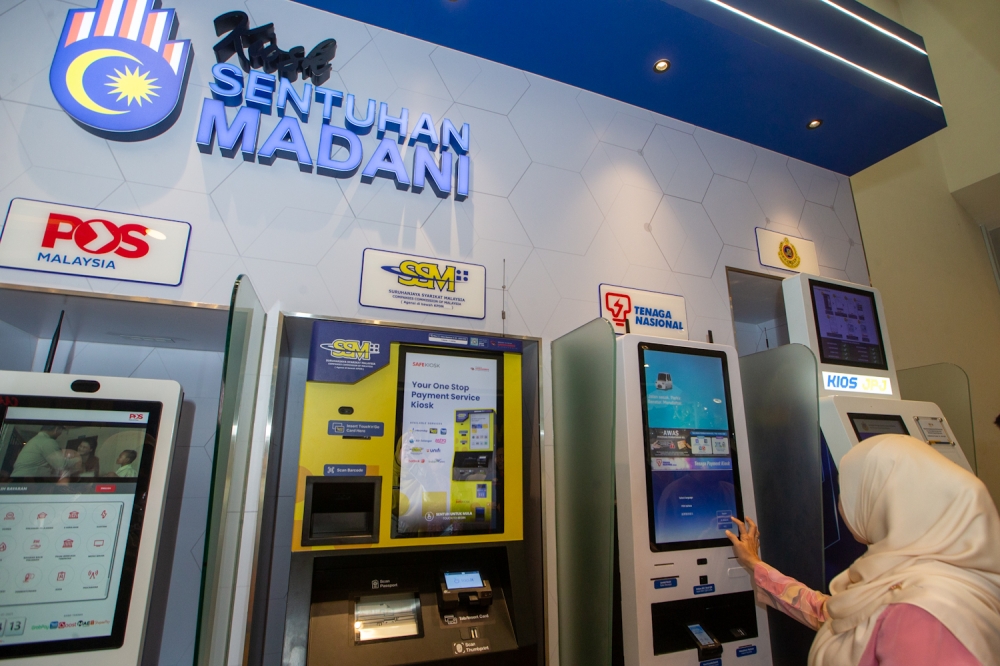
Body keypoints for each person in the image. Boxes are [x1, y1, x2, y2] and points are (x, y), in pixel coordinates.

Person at [727, 434, 1000, 665]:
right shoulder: (924, 579)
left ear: (883, 500)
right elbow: (826, 611)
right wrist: (754, 564)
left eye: (848, 490)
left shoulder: (920, 614)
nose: (840, 504)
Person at [10, 425, 80, 478]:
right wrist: (77, 459)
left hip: (21, 479)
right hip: (27, 481)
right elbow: (61, 465)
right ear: (57, 429)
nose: (60, 434)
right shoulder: (47, 442)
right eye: (61, 431)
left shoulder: (36, 440)